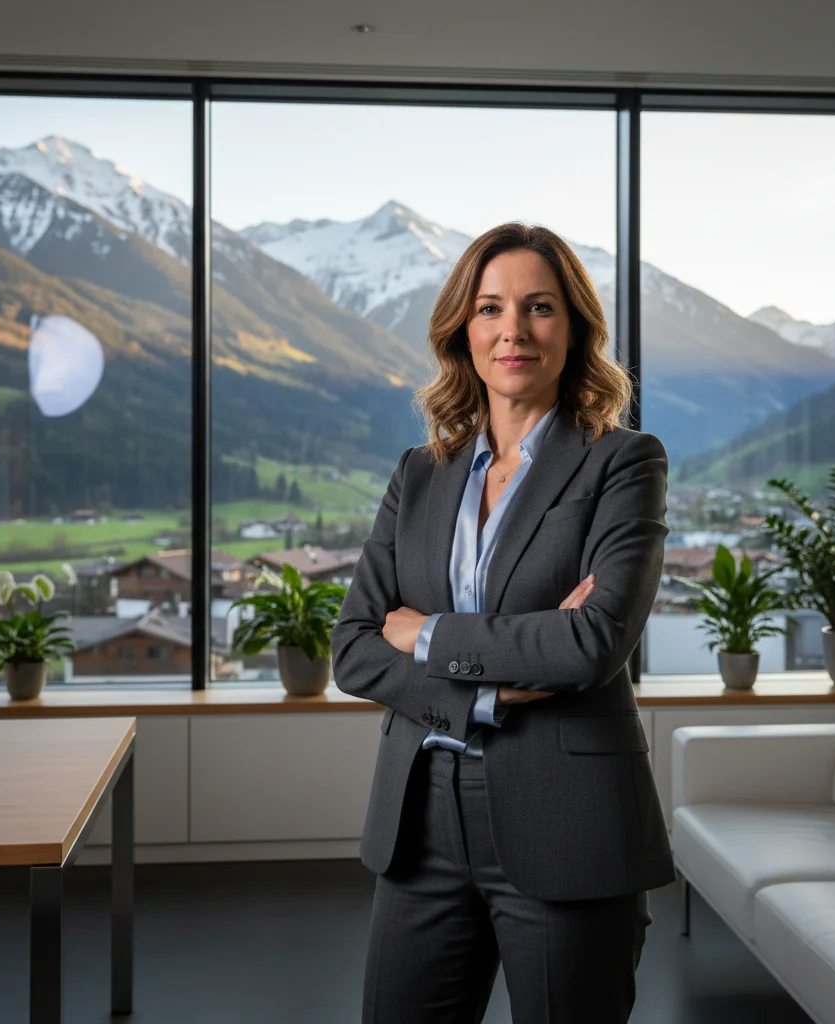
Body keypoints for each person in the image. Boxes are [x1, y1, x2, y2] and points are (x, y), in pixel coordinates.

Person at [330, 222, 677, 1024]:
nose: (512, 329)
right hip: (420, 816)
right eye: (490, 308)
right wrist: (492, 691)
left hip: (570, 818)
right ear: (464, 330)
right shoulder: (420, 474)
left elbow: (590, 642)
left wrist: (425, 633)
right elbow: (352, 647)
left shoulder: (623, 462)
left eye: (539, 307)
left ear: (577, 329)